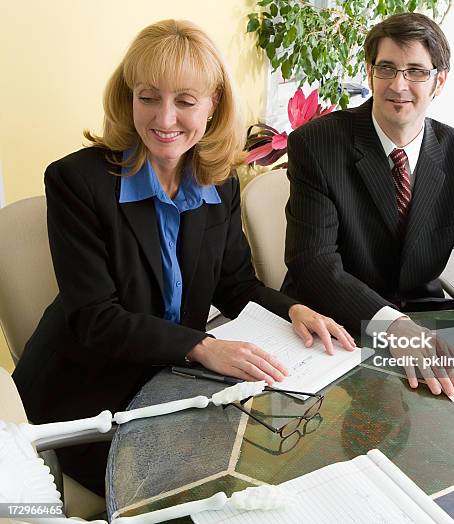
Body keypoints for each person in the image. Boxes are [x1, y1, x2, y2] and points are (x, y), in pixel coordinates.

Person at [12, 19, 354, 495]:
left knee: (281, 467)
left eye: (185, 102)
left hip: (173, 382)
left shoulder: (220, 180)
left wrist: (293, 309)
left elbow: (235, 284)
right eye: (148, 97)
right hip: (87, 395)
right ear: (127, 96)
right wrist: (203, 347)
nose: (164, 118)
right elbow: (96, 318)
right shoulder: (76, 182)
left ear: (213, 106)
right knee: (208, 494)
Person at [283, 13, 454, 398]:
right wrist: (393, 326)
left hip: (420, 315)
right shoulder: (317, 145)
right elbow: (312, 264)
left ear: (438, 81)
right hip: (332, 324)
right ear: (369, 72)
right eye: (387, 69)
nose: (399, 85)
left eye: (415, 71)